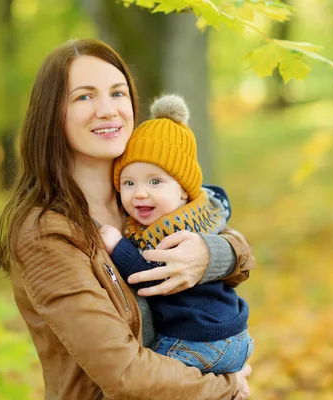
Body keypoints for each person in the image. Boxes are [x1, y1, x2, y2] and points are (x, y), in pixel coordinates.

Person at [0, 38, 256, 400]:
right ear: (53, 114)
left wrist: (211, 254)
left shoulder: (141, 201)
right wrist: (227, 387)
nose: (108, 110)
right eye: (84, 97)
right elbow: (125, 374)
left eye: (117, 93)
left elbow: (235, 249)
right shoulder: (46, 233)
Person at [99, 94, 253, 374]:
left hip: (197, 339)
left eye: (155, 181)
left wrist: (116, 245)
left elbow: (151, 272)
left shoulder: (172, 229)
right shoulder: (204, 213)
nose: (140, 193)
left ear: (183, 189)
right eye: (129, 182)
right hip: (236, 335)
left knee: (149, 374)